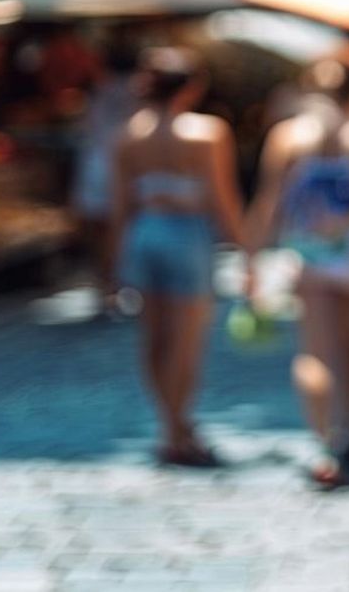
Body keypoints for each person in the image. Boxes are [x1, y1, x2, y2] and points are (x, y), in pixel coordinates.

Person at [248, 60, 349, 485]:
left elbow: (268, 203)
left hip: (309, 252)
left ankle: (324, 445)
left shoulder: (287, 136)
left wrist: (251, 257)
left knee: (315, 351)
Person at [110, 48, 251, 467]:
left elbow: (120, 207)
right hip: (187, 234)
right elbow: (223, 199)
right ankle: (177, 428)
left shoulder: (129, 135)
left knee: (154, 338)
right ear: (190, 87)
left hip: (144, 232)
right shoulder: (205, 133)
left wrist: (115, 263)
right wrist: (245, 249)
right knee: (185, 342)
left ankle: (171, 425)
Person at [72, 37, 140, 317]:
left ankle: (105, 285)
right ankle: (118, 284)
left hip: (95, 164)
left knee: (100, 230)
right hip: (123, 167)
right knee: (123, 229)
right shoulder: (138, 92)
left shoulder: (97, 90)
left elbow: (85, 125)